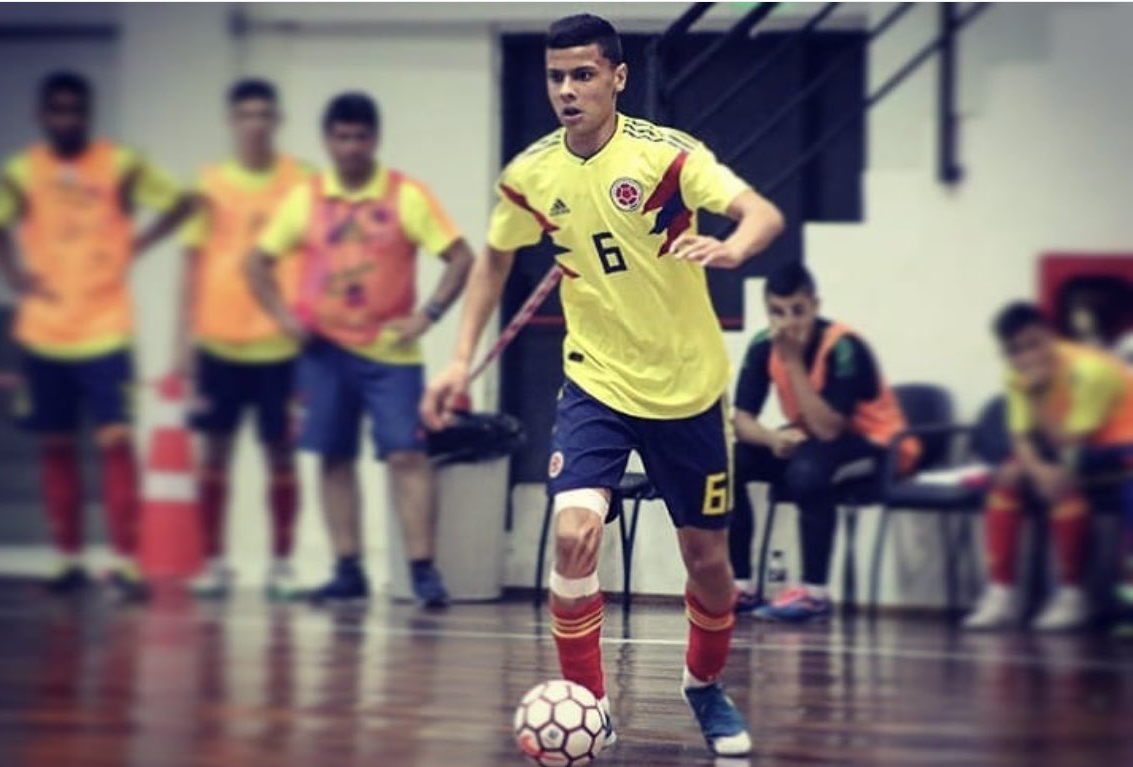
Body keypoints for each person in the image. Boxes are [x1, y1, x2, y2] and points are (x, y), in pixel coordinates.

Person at [421, 14, 784, 757]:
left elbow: (762, 213)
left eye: (583, 74)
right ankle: (588, 705)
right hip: (597, 382)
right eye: (556, 76)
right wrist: (459, 358)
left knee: (709, 566)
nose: (567, 89)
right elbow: (493, 258)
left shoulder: (667, 159)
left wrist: (732, 246)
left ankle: (704, 686)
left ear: (618, 77)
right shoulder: (533, 175)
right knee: (575, 532)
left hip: (688, 387)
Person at [246, 92, 474, 608]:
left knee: (407, 454)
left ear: (374, 139)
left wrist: (429, 315)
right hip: (323, 350)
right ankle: (347, 567)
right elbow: (257, 262)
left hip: (389, 353)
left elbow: (461, 258)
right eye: (341, 137)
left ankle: (422, 570)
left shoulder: (405, 195)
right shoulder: (307, 197)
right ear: (329, 140)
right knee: (332, 456)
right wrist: (284, 320)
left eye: (360, 137)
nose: (350, 147)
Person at [0, 71, 194, 599]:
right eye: (57, 110)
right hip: (44, 332)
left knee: (116, 443)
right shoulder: (21, 171)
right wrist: (13, 277)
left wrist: (138, 243)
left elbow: (183, 202)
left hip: (105, 330)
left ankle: (126, 563)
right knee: (55, 446)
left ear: (89, 115)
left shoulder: (120, 165)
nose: (67, 120)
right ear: (41, 115)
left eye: (76, 110)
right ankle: (67, 560)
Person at [175, 79, 313, 601]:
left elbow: (321, 259)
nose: (255, 122)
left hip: (281, 348)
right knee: (214, 455)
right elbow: (190, 272)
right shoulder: (207, 185)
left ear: (275, 120)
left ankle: (281, 564)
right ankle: (213, 562)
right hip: (218, 345)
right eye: (245, 114)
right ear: (233, 121)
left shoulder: (300, 182)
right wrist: (182, 356)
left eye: (263, 114)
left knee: (281, 455)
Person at [728, 263, 920, 621]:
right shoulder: (762, 345)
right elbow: (742, 421)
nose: (788, 322)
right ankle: (742, 586)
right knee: (733, 461)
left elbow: (831, 429)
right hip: (816, 438)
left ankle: (814, 593)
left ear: (814, 306)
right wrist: (773, 439)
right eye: (777, 312)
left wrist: (794, 363)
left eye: (797, 311)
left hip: (878, 446)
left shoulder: (844, 346)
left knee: (808, 471)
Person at [963, 302, 1133, 631]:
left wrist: (1038, 394)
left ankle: (1073, 594)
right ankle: (1003, 593)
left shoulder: (1089, 371)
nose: (1027, 357)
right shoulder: (1016, 371)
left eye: (1034, 344)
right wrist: (1037, 471)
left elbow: (1069, 442)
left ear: (1050, 336)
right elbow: (1021, 436)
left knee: (1061, 481)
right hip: (1072, 443)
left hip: (1117, 445)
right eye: (1015, 350)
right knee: (1009, 477)